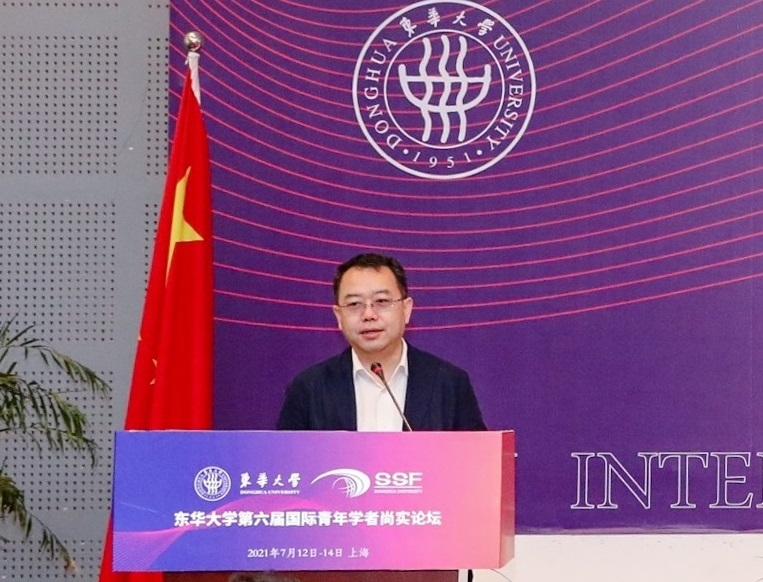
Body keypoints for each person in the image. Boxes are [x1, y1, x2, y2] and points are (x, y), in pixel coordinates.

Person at [276, 253, 486, 431]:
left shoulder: (449, 383)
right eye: (354, 304)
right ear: (338, 317)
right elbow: (284, 462)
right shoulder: (308, 388)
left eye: (382, 301)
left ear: (406, 309)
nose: (369, 314)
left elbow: (479, 461)